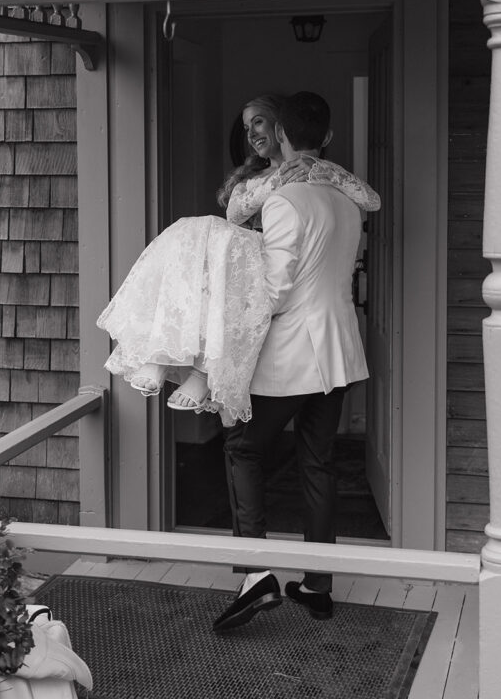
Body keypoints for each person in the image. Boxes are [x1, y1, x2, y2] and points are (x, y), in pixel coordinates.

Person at [97, 93, 379, 426]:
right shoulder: (253, 182)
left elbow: (371, 200)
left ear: (281, 129)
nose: (251, 134)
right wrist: (283, 175)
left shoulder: (323, 179)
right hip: (249, 268)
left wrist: (321, 167)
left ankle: (201, 373)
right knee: (190, 231)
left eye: (258, 122)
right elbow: (234, 214)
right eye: (246, 127)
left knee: (251, 444)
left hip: (280, 283)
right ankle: (161, 352)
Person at [213, 92, 370, 632]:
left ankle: (256, 575)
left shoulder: (283, 201)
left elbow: (275, 290)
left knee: (241, 448)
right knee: (317, 462)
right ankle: (318, 586)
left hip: (291, 357)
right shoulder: (346, 201)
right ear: (324, 139)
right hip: (340, 352)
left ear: (282, 136)